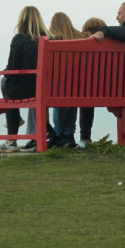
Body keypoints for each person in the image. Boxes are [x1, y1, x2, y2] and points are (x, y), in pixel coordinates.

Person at [0, 6, 50, 152]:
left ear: (22, 20)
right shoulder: (51, 38)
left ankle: (11, 141)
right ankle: (18, 127)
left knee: (6, 85)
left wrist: (5, 72)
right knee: (8, 86)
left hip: (26, 89)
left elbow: (12, 68)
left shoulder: (19, 39)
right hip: (47, 88)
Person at [47, 12, 86, 149]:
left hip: (58, 85)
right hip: (80, 86)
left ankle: (58, 134)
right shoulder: (82, 39)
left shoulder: (50, 39)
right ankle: (68, 135)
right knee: (72, 94)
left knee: (58, 92)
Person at [75, 17, 107, 148]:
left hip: (90, 91)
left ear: (88, 33)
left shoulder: (86, 48)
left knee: (85, 94)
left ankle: (84, 138)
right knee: (88, 92)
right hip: (112, 90)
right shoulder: (111, 45)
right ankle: (85, 139)